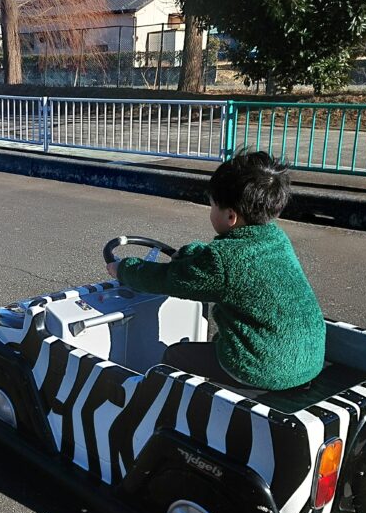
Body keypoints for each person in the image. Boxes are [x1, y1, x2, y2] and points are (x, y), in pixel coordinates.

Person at [108, 151, 325, 392]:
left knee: (175, 357)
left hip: (264, 367)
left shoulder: (222, 260)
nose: (211, 211)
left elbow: (168, 279)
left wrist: (123, 269)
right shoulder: (275, 238)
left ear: (231, 216)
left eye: (212, 206)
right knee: (215, 345)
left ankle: (174, 417)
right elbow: (224, 262)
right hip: (305, 360)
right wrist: (191, 254)